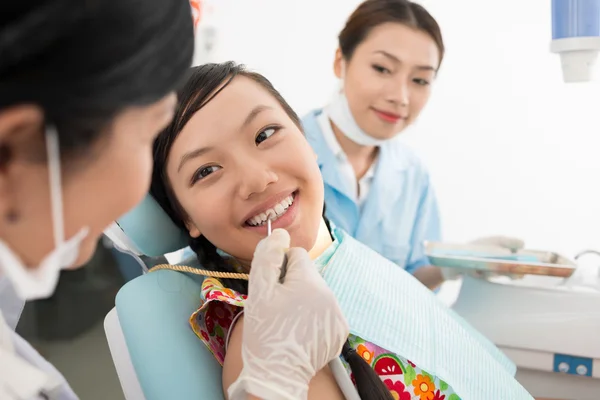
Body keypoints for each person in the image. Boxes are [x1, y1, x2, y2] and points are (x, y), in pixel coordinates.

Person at [0, 2, 349, 399]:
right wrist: (271, 382)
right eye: (143, 132)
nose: (257, 179)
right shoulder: (250, 328)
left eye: (266, 134)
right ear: (14, 151)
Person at [150, 62, 537, 400]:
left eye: (265, 134)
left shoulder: (339, 246)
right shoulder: (263, 340)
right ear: (188, 220)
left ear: (307, 139)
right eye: (206, 171)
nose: (257, 179)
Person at [301, 0, 522, 289]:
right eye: (382, 68)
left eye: (420, 80)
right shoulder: (284, 151)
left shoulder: (412, 173)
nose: (401, 97)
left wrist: (452, 266)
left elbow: (410, 279)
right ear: (340, 62)